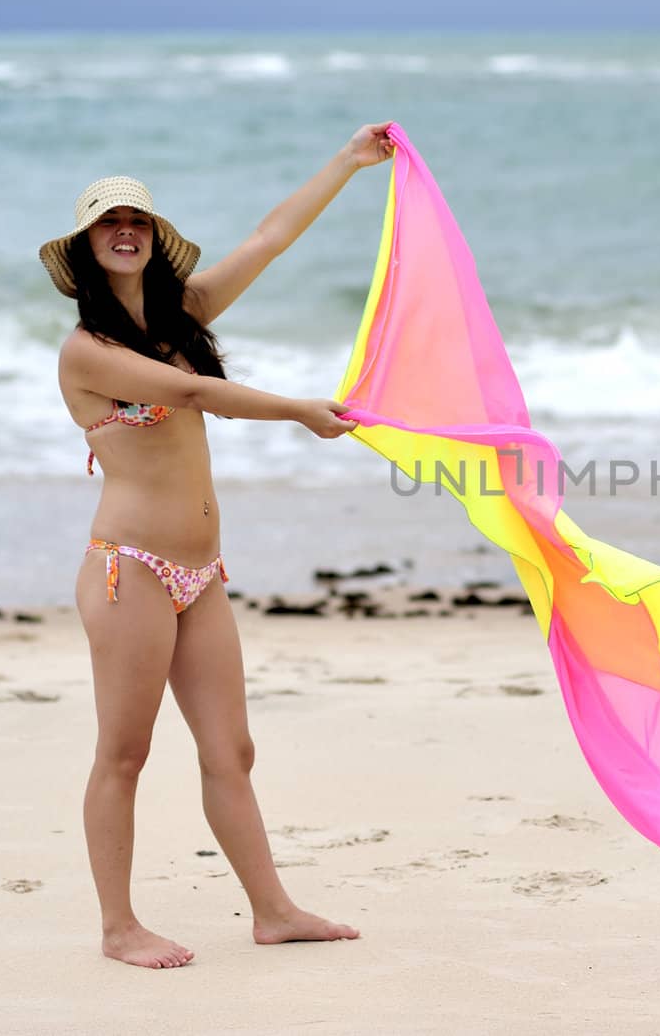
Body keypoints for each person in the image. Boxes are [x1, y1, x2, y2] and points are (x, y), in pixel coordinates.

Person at [41, 122, 395, 969]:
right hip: (129, 572)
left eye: (136, 220)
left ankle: (272, 911)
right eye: (106, 222)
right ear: (87, 248)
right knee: (124, 752)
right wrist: (302, 410)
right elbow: (198, 391)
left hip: (199, 574)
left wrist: (348, 159)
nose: (123, 230)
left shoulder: (185, 311)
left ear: (152, 239)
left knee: (231, 749)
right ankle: (118, 927)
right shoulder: (86, 351)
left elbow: (269, 239)